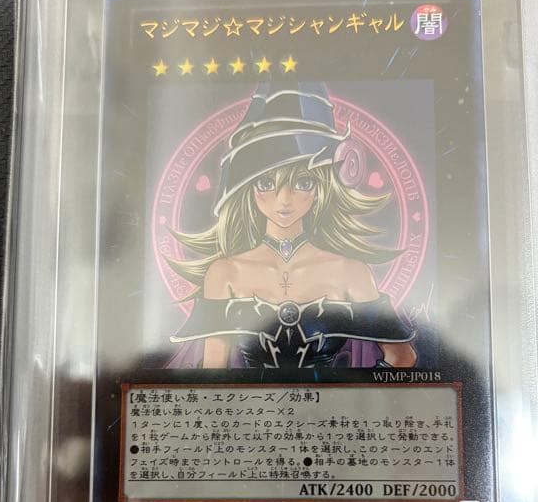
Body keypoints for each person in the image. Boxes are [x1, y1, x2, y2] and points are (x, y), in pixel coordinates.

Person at [169, 82, 416, 370]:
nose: (284, 200)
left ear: (320, 187)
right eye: (266, 182)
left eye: (302, 182)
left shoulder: (351, 271)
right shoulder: (224, 272)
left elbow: (403, 357)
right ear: (247, 189)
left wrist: (353, 393)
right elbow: (214, 371)